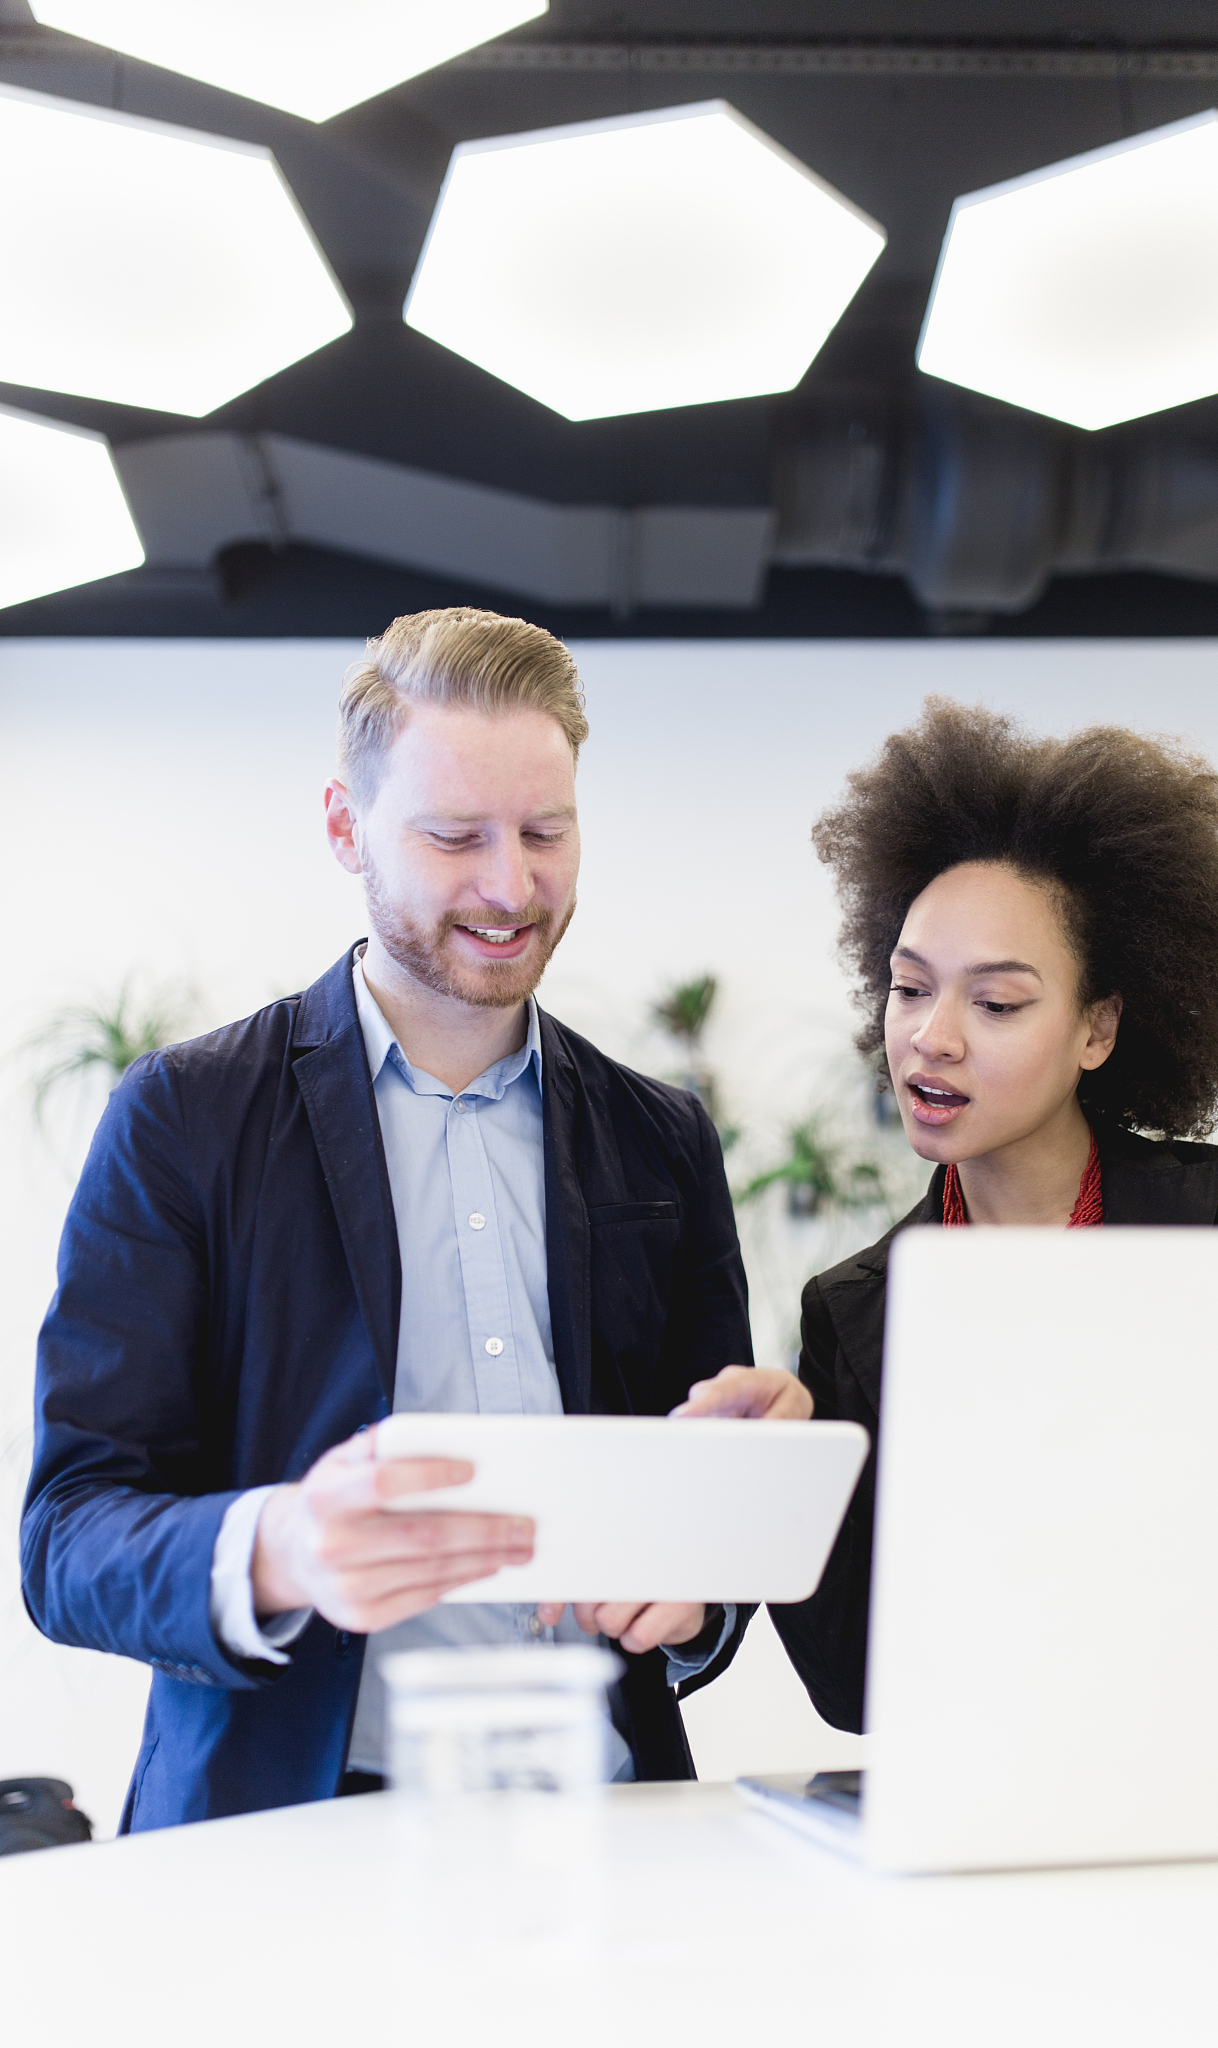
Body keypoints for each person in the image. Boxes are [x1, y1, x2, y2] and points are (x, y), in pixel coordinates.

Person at [22, 607, 756, 1830]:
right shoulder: (183, 1117)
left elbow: (701, 1529)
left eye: (545, 832)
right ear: (344, 826)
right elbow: (68, 1536)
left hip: (609, 1828)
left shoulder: (661, 1136)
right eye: (456, 835)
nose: (511, 885)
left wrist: (703, 1584)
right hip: (283, 1838)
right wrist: (285, 1546)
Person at [742, 697, 1218, 1735]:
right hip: (993, 1801)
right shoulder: (853, 1311)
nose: (930, 1038)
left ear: (1099, 1026)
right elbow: (855, 1690)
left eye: (998, 1003)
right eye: (909, 987)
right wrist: (791, 1486)